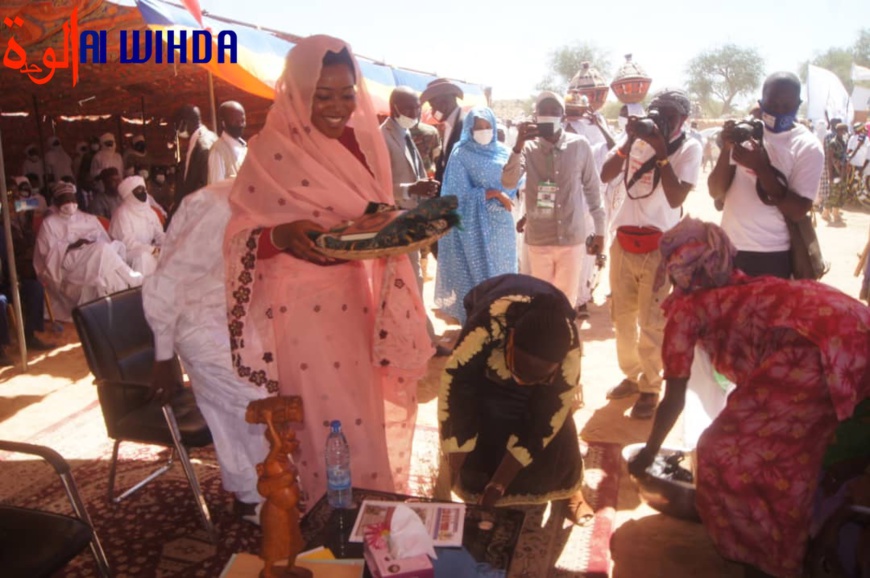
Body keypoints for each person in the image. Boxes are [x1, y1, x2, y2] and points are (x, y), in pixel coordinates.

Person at [223, 36, 432, 503]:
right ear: (297, 92)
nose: (337, 107)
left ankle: (373, 514)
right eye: (323, 95)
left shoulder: (363, 143)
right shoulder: (268, 150)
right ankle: (328, 528)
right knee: (323, 424)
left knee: (364, 411)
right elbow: (240, 233)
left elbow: (374, 209)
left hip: (354, 297)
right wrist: (282, 234)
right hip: (298, 308)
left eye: (346, 94)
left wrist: (393, 223)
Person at [628, 217, 870, 578]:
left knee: (728, 455)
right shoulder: (741, 283)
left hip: (817, 350)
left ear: (677, 266)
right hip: (853, 327)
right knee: (782, 441)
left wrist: (648, 454)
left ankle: (769, 558)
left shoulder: (687, 310)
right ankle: (805, 536)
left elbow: (673, 398)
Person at [143, 179, 269, 521]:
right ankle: (256, 495)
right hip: (198, 320)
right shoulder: (216, 205)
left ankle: (253, 491)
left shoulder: (269, 197)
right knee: (255, 400)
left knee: (245, 407)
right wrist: (164, 354)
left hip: (239, 314)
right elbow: (167, 279)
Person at [440, 273, 593, 524]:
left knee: (557, 421)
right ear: (509, 341)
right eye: (518, 371)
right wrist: (448, 477)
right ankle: (480, 483)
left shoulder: (569, 348)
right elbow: (458, 403)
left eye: (538, 379)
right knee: (485, 414)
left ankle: (567, 490)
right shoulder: (482, 331)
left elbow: (545, 418)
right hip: (490, 340)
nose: (523, 383)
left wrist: (498, 485)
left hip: (542, 380)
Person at [599, 88, 701, 419]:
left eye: (669, 114)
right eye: (657, 111)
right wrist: (629, 141)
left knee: (653, 321)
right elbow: (606, 174)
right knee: (622, 318)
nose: (661, 119)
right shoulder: (635, 139)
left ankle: (650, 387)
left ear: (683, 120)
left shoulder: (690, 147)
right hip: (624, 242)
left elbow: (674, 198)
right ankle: (632, 375)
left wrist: (660, 152)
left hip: (661, 247)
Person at [708, 72, 825, 278]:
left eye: (786, 106)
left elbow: (798, 210)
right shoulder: (745, 133)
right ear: (761, 101)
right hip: (729, 249)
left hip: (772, 255)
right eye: (772, 104)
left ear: (798, 104)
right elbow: (715, 191)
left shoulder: (807, 146)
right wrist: (727, 148)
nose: (779, 111)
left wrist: (762, 169)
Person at [503, 91, 605, 309]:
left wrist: (600, 231)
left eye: (554, 112)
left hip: (571, 237)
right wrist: (518, 144)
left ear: (563, 116)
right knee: (541, 299)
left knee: (566, 299)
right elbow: (509, 182)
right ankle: (544, 341)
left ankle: (562, 342)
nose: (549, 116)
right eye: (543, 112)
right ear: (535, 116)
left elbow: (593, 190)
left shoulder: (580, 146)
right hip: (540, 238)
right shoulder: (528, 148)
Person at [434, 106, 517, 325]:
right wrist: (493, 194)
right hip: (474, 229)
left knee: (503, 274)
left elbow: (514, 183)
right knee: (479, 277)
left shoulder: (503, 151)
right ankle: (480, 325)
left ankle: (502, 323)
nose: (483, 130)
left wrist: (507, 194)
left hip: (502, 226)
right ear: (469, 129)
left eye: (487, 126)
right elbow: (455, 195)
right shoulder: (461, 154)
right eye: (478, 127)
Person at [379, 86, 444, 351]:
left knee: (411, 282)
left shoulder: (404, 133)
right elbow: (378, 184)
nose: (415, 113)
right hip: (395, 221)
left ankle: (416, 338)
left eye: (418, 108)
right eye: (409, 108)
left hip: (412, 220)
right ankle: (418, 340)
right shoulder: (382, 137)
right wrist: (411, 189)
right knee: (407, 283)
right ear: (394, 107)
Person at [34, 182, 142, 320]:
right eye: (65, 199)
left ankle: (122, 313)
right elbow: (46, 254)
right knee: (101, 249)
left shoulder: (88, 218)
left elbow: (106, 240)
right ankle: (135, 280)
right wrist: (73, 245)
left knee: (110, 274)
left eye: (72, 199)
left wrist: (90, 243)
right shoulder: (49, 223)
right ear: (57, 201)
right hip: (66, 263)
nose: (70, 203)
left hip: (94, 258)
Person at [109, 176, 165, 277]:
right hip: (127, 254)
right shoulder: (122, 213)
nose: (143, 193)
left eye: (144, 189)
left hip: (150, 250)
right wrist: (152, 250)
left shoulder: (150, 212)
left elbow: (159, 234)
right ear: (129, 193)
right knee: (143, 257)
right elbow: (128, 243)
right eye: (139, 190)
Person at [420, 78, 467, 186]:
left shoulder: (465, 125)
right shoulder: (449, 126)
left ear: (444, 103)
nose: (432, 111)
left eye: (432, 106)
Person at [174, 104, 218, 214]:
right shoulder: (210, 137)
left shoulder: (203, 144)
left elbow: (205, 180)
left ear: (183, 123)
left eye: (176, 125)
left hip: (203, 209)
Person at [208, 101, 248, 183]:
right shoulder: (218, 151)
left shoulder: (245, 148)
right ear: (223, 123)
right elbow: (216, 189)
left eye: (242, 120)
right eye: (236, 121)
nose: (240, 125)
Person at [825, 123, 850, 226]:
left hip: (842, 172)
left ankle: (826, 212)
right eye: (843, 131)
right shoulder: (833, 143)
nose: (844, 133)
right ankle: (835, 214)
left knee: (840, 193)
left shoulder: (843, 142)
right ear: (839, 131)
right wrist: (830, 175)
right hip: (835, 172)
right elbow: (830, 160)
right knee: (834, 193)